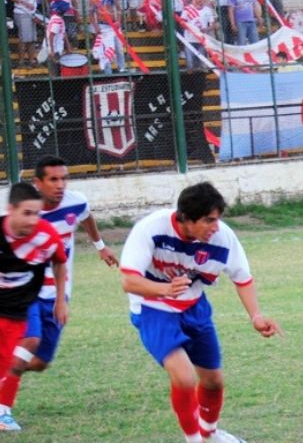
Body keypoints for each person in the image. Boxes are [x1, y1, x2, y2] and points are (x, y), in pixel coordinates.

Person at [119, 182, 283, 443]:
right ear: (185, 217)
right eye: (208, 220)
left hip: (194, 306)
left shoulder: (222, 238)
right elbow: (129, 281)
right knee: (184, 378)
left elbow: (242, 278)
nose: (215, 227)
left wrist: (256, 316)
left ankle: (210, 434)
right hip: (153, 308)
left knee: (213, 381)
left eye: (217, 219)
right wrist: (164, 288)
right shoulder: (150, 230)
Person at [0, 156, 119, 431]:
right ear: (38, 183)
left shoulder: (75, 203)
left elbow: (86, 219)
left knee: (40, 361)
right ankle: (4, 410)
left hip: (57, 293)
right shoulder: (20, 214)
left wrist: (100, 245)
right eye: (53, 179)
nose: (60, 185)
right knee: (28, 341)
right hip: (23, 291)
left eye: (64, 178)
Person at [0, 183, 67, 432]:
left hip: (23, 300)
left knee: (30, 345)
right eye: (27, 213)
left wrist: (61, 300)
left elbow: (60, 263)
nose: (33, 220)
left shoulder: (46, 235)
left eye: (37, 213)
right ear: (10, 210)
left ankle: (3, 411)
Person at [181, 0, 215, 70]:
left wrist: (206, 29)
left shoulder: (208, 10)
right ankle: (191, 79)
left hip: (202, 39)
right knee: (190, 64)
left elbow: (212, 25)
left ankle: (201, 79)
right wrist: (191, 29)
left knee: (202, 64)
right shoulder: (187, 9)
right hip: (189, 39)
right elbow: (182, 22)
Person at [9, 0, 38, 67]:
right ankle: (21, 61)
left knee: (32, 38)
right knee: (24, 38)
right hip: (22, 12)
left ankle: (31, 60)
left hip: (32, 13)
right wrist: (26, 3)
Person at [43, 0, 71, 75]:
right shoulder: (57, 20)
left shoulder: (56, 18)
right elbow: (51, 36)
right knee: (55, 73)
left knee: (57, 71)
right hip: (55, 51)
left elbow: (63, 33)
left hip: (56, 50)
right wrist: (52, 51)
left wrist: (68, 47)